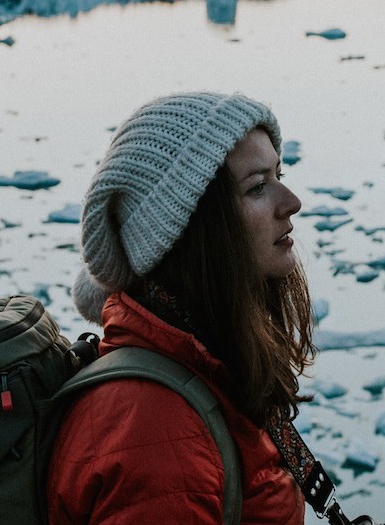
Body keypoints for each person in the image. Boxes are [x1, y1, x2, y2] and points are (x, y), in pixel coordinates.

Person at [52, 92, 315, 524]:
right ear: (189, 227)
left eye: (278, 175)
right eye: (257, 186)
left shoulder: (203, 368)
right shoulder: (157, 433)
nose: (290, 201)